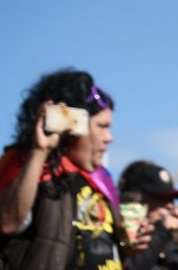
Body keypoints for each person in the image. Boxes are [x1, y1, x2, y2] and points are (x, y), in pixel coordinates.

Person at [0, 69, 121, 270]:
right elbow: (7, 223)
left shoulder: (102, 181)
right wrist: (40, 151)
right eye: (101, 126)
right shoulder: (26, 167)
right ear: (72, 125)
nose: (109, 137)